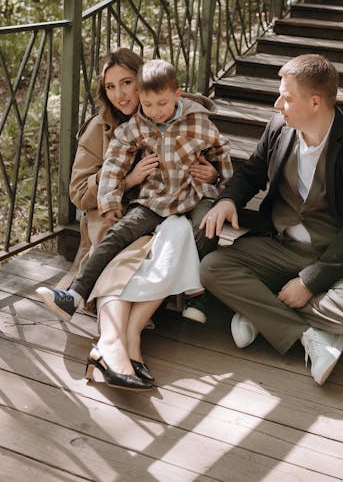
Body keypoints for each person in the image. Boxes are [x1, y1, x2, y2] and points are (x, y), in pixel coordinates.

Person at [37, 48, 220, 390]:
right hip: (119, 221)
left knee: (175, 229)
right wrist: (127, 180)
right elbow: (78, 192)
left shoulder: (181, 115)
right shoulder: (100, 128)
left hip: (167, 215)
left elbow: (213, 158)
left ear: (145, 79)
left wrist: (212, 173)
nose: (120, 94)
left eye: (127, 82)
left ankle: (120, 343)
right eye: (110, 87)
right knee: (124, 253)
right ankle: (115, 345)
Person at [199, 53, 343, 386]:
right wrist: (228, 199)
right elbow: (252, 172)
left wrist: (309, 282)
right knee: (212, 268)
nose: (276, 104)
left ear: (315, 102)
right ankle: (307, 336)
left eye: (286, 97)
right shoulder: (278, 128)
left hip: (337, 258)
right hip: (280, 246)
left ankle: (260, 310)